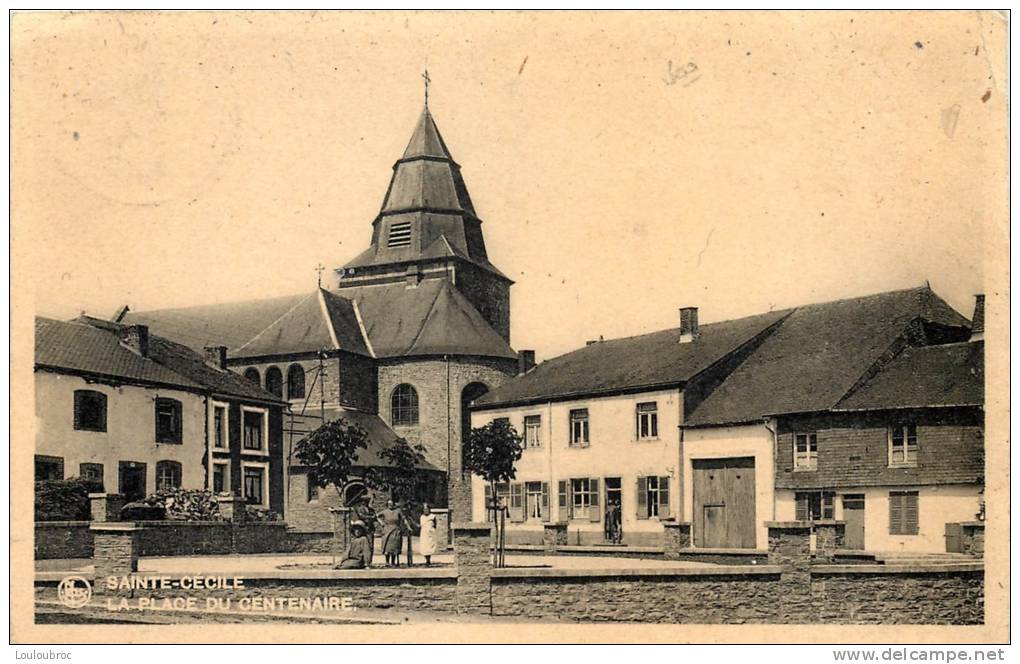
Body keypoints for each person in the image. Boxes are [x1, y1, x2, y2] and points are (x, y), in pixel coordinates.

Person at [378, 499, 405, 568]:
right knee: (387, 547)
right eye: (389, 504)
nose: (390, 505)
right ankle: (387, 562)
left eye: (392, 504)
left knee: (394, 547)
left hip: (396, 530)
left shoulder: (398, 511)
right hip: (387, 530)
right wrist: (382, 523)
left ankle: (393, 562)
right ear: (387, 505)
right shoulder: (384, 512)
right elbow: (377, 516)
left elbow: (404, 519)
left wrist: (407, 526)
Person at [351, 491, 377, 562]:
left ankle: (369, 561)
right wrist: (371, 517)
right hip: (363, 528)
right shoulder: (360, 509)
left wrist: (372, 517)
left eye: (367, 501)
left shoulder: (371, 509)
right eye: (365, 501)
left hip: (370, 529)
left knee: (371, 545)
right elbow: (362, 516)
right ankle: (362, 561)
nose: (366, 503)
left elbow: (375, 517)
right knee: (365, 545)